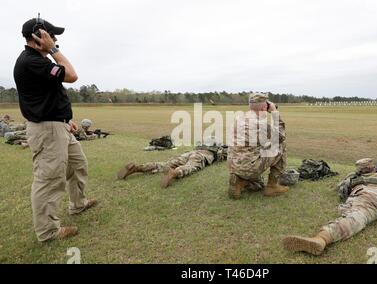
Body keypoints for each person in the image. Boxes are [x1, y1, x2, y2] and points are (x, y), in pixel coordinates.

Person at [13, 16, 97, 242]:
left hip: (58, 125)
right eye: (52, 35)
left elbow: (50, 95)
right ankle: (48, 231)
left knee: (78, 164)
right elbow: (71, 75)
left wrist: (65, 118)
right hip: (47, 130)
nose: (56, 39)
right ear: (38, 36)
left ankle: (78, 204)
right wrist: (53, 50)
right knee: (49, 179)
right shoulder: (33, 61)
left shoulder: (37, 62)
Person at [117, 141, 265, 191]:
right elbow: (228, 155)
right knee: (190, 167)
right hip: (202, 155)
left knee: (166, 164)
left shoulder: (204, 141)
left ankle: (138, 167)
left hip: (190, 152)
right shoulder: (221, 148)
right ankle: (175, 174)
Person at [227, 92, 288, 199]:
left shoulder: (238, 119)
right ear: (265, 107)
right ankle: (272, 186)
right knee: (281, 145)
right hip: (250, 167)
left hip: (233, 165)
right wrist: (274, 112)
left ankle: (239, 181)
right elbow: (281, 136)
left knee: (257, 149)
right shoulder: (261, 123)